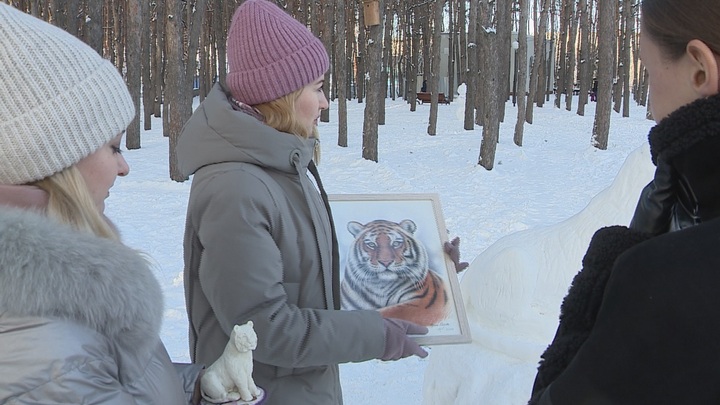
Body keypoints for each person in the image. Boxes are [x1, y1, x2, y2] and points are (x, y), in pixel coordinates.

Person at [176, 1, 447, 404]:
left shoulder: (280, 167)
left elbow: (309, 278)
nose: (324, 102)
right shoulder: (235, 188)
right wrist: (374, 335)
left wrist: (429, 260)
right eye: (317, 88)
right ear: (280, 94)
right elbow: (264, 330)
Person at [0, 4, 206, 403]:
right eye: (113, 147)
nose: (125, 167)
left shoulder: (60, 301)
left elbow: (110, 379)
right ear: (50, 158)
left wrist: (197, 387)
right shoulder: (45, 341)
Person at [529, 0, 720, 403]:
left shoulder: (666, 282)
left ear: (700, 69)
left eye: (649, 74)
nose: (651, 109)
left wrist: (611, 272)